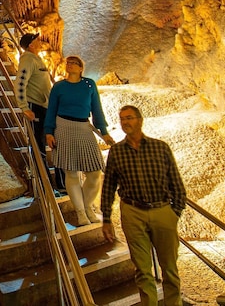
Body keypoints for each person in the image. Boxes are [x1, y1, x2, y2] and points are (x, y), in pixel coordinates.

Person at [101, 105, 186, 306]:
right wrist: (106, 218)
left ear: (140, 120)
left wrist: (174, 212)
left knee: (170, 269)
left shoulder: (160, 147)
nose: (125, 122)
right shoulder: (117, 151)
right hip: (133, 212)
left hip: (162, 209)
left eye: (129, 118)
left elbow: (176, 182)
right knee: (142, 269)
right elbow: (108, 186)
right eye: (122, 119)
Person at [45, 55, 114, 225]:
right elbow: (51, 109)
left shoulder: (89, 84)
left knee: (94, 172)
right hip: (63, 127)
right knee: (71, 172)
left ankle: (88, 205)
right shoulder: (59, 86)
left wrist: (103, 131)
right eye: (69, 62)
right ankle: (81, 212)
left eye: (75, 63)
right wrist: (49, 131)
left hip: (84, 127)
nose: (70, 65)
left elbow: (97, 109)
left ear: (81, 68)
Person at [13, 32, 62, 190]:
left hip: (44, 107)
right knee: (38, 145)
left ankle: (59, 182)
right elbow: (20, 82)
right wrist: (24, 107)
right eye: (37, 40)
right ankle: (44, 184)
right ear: (31, 44)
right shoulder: (27, 59)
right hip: (35, 107)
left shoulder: (35, 59)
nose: (41, 41)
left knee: (51, 141)